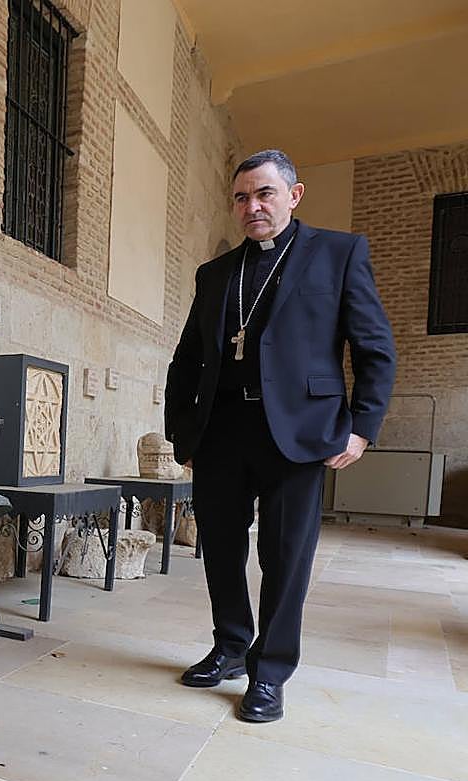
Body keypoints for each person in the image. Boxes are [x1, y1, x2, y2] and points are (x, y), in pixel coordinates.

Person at [164, 149, 395, 723]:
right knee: (218, 546)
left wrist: (363, 428)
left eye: (264, 194)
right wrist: (181, 433)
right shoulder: (216, 273)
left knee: (285, 557)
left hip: (299, 432)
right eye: (242, 197)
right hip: (221, 432)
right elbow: (187, 359)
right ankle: (231, 646)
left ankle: (271, 672)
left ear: (294, 195)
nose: (252, 207)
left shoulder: (339, 254)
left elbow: (374, 349)